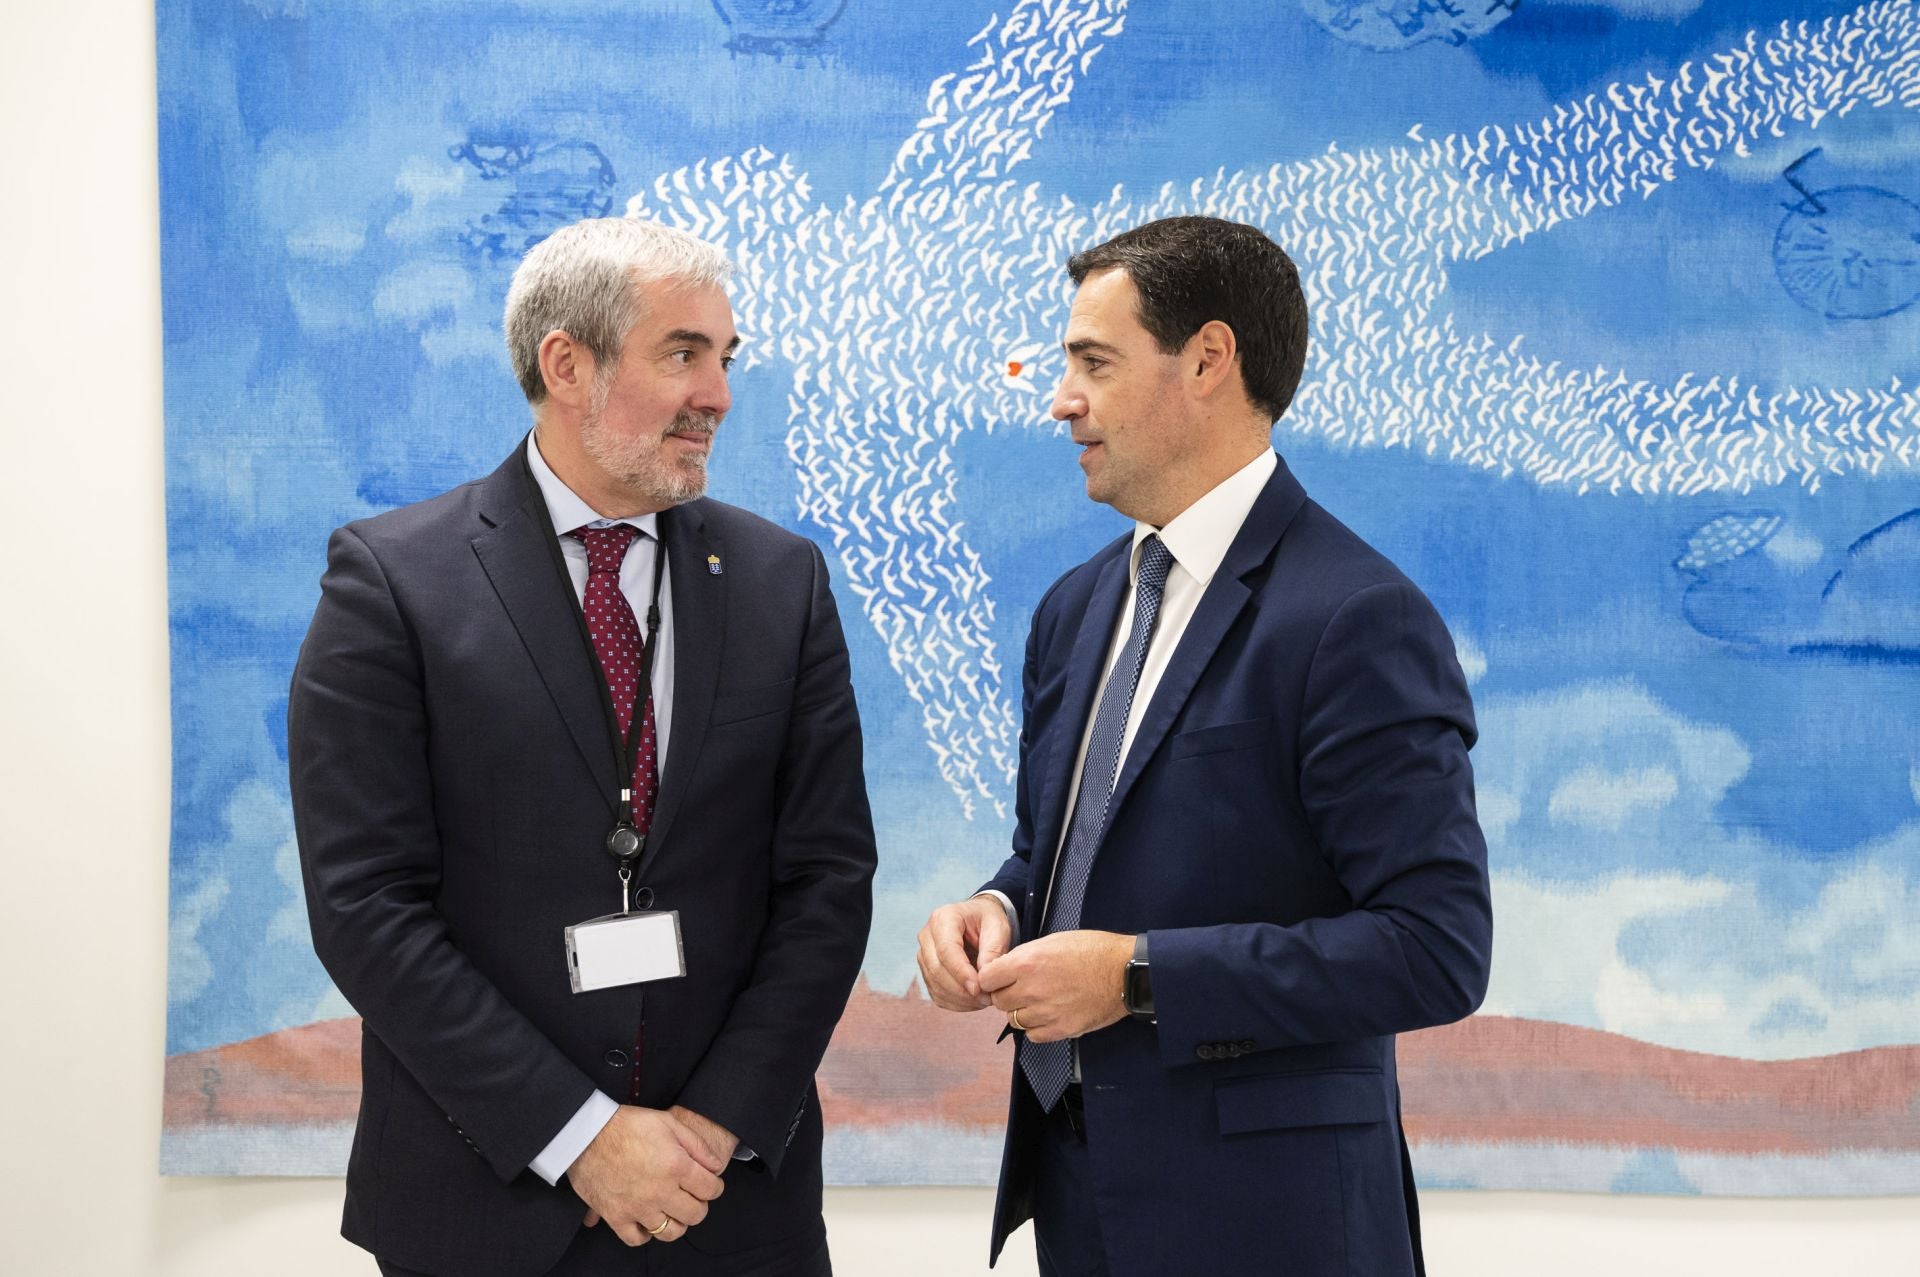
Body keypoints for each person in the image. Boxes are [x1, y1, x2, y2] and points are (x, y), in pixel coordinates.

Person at [289, 217, 876, 1277]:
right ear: (567, 363)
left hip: (732, 1206)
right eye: (683, 352)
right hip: (486, 1209)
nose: (720, 395)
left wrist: (707, 1129)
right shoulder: (390, 584)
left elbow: (828, 880)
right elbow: (364, 905)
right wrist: (584, 1137)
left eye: (725, 358)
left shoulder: (783, 582)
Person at [916, 216, 1492, 1277]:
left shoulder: (1357, 615)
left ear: (1210, 361)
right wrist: (994, 909)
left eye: (1093, 362)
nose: (1061, 400)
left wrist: (1138, 976)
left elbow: (1436, 947)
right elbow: (1063, 849)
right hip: (1080, 1205)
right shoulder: (1073, 609)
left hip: (1274, 1227)